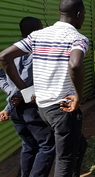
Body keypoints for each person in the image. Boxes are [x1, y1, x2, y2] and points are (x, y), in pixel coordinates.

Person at [0, 0, 89, 177]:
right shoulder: (77, 38)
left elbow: (4, 57)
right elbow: (75, 64)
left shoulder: (37, 36)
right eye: (84, 14)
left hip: (43, 108)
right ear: (79, 14)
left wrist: (24, 89)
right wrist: (78, 95)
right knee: (65, 159)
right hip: (62, 107)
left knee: (78, 145)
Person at [0, 17, 55, 177]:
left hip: (17, 109)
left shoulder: (12, 49)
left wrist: (10, 97)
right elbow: (22, 83)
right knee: (47, 144)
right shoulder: (32, 52)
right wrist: (14, 98)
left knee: (29, 145)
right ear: (37, 31)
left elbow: (3, 77)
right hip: (29, 108)